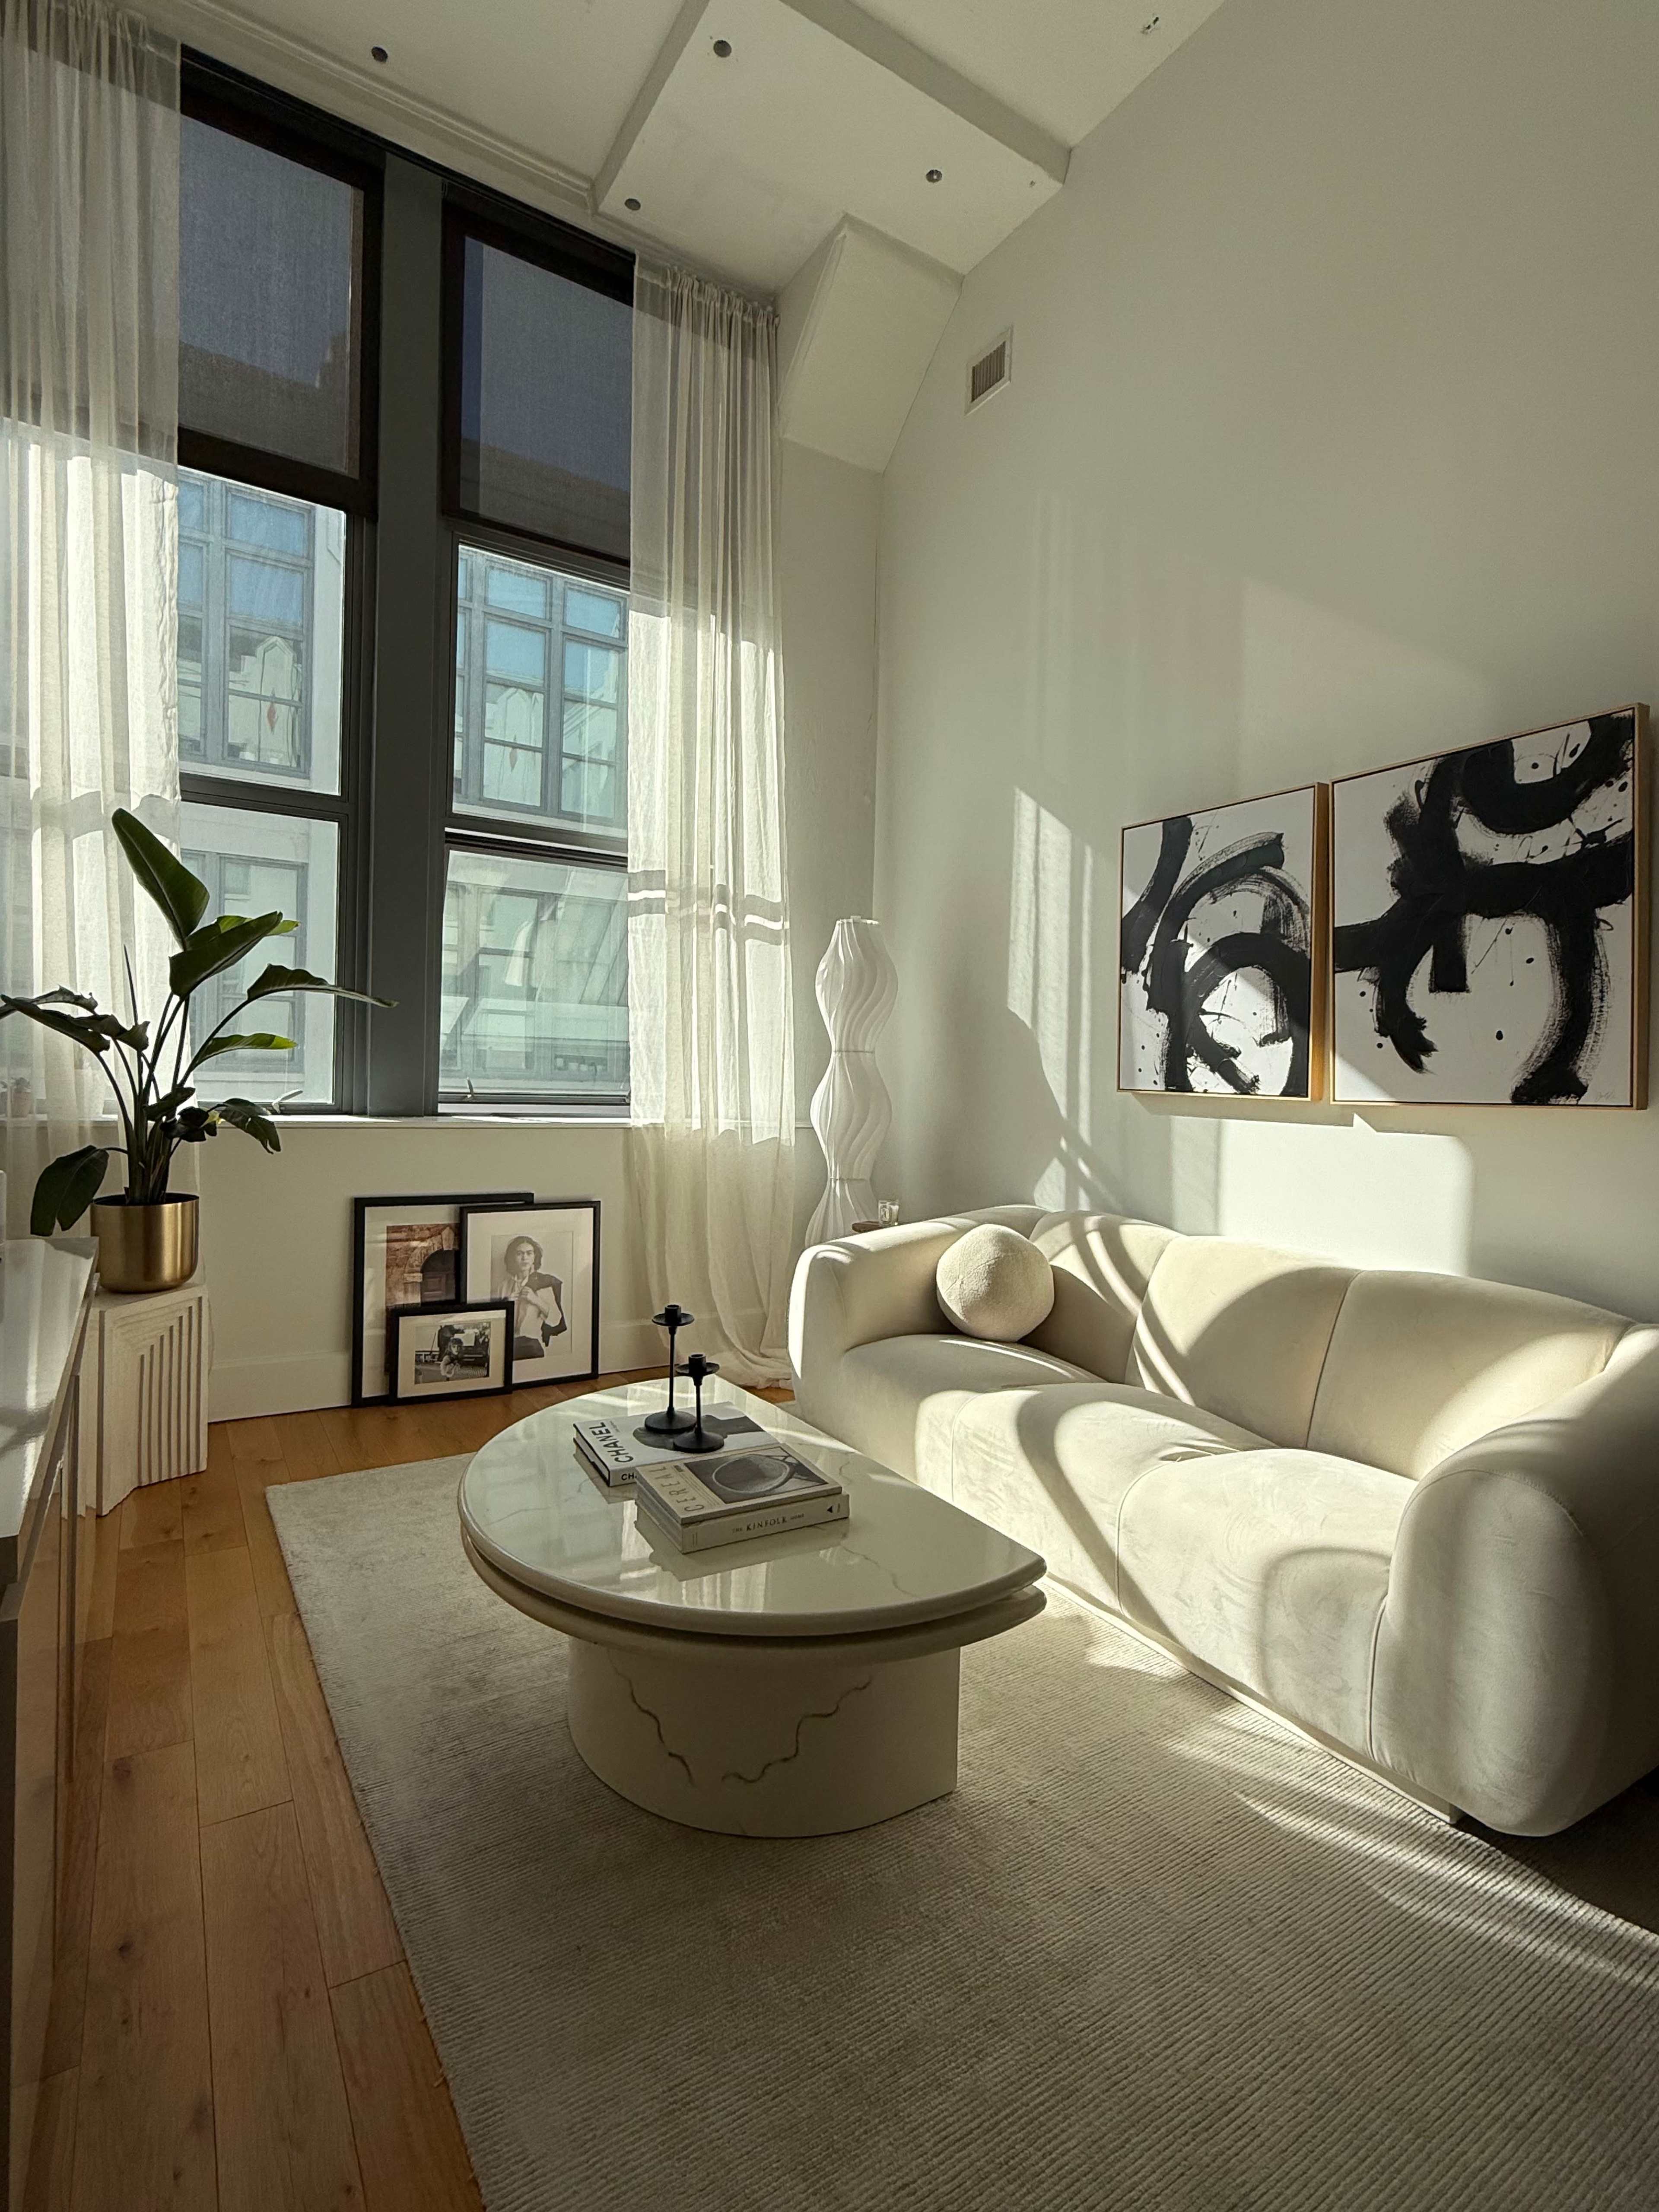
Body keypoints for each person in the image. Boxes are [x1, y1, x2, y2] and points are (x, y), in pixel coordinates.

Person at [494, 1234, 567, 1363]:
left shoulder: (544, 1283)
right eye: (519, 1254)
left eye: (529, 1253)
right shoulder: (503, 1287)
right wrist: (506, 1304)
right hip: (507, 1344)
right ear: (513, 1258)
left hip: (532, 1347)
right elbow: (494, 1322)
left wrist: (536, 1300)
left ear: (534, 1257)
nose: (525, 1258)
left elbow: (557, 1320)